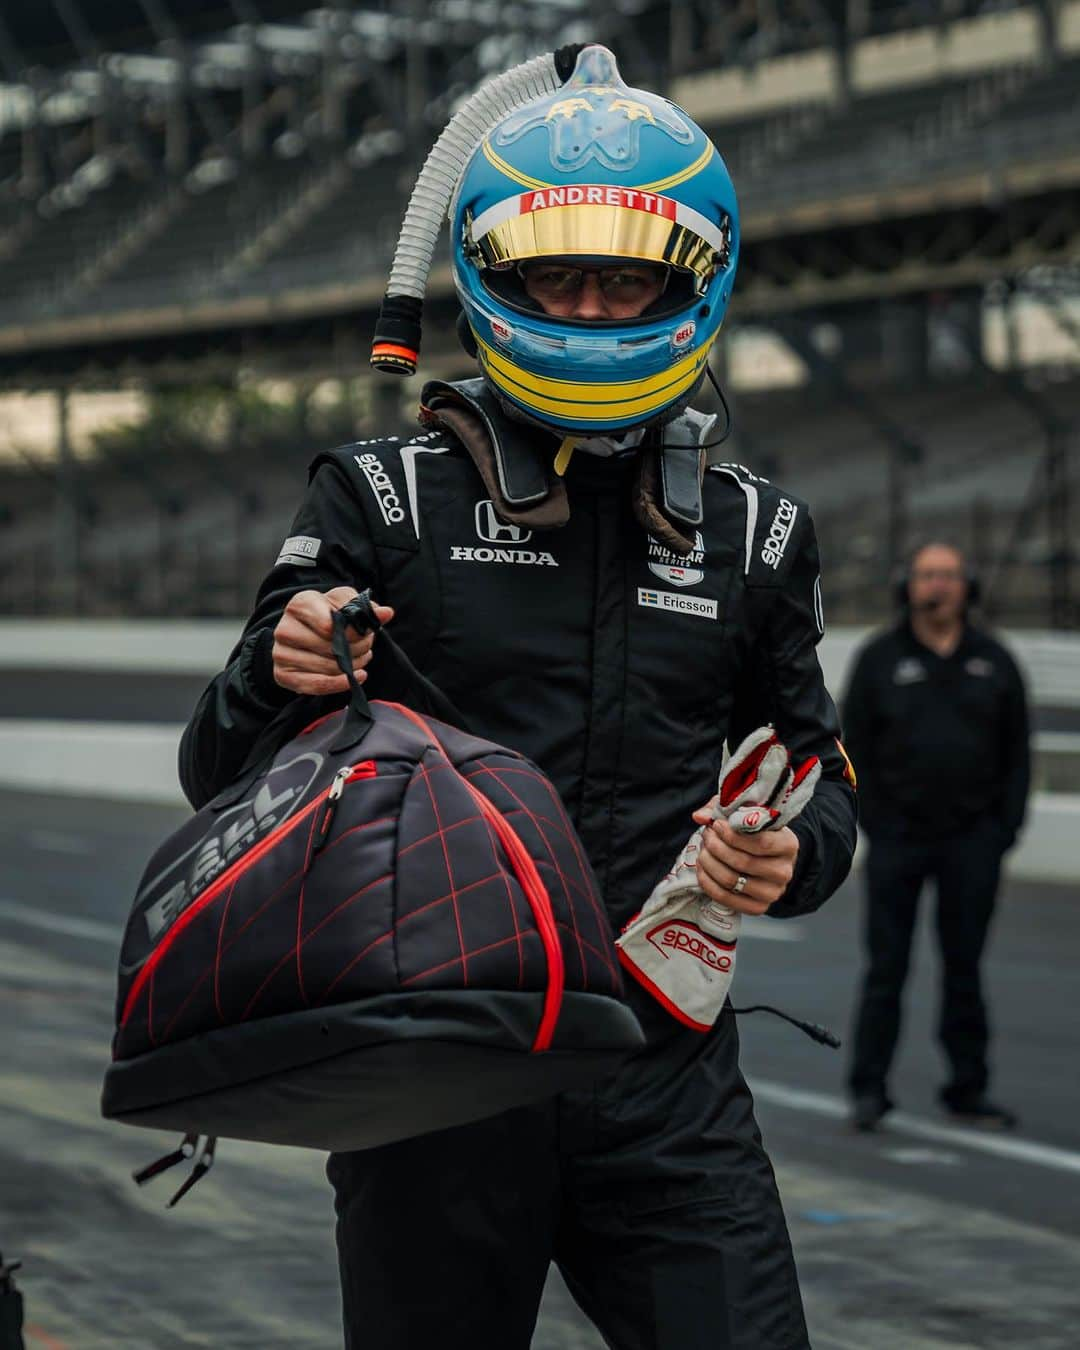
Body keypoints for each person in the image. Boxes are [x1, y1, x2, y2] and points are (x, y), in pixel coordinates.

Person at [180, 45, 856, 1350]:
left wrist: (789, 850)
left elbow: (816, 776)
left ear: (689, 281)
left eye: (625, 277)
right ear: (493, 277)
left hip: (666, 1079)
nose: (594, 307)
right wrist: (279, 664)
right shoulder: (376, 498)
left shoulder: (762, 533)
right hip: (435, 1079)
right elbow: (222, 772)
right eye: (558, 274)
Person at [845, 541, 1030, 1133]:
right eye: (927, 574)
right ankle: (868, 1090)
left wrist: (1003, 831)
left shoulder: (995, 660)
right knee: (886, 969)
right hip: (898, 840)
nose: (938, 586)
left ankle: (967, 1089)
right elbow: (852, 751)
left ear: (967, 584)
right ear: (908, 583)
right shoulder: (878, 658)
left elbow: (1018, 754)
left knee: (965, 968)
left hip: (972, 841)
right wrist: (874, 820)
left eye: (949, 575)